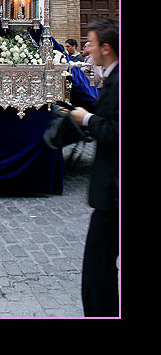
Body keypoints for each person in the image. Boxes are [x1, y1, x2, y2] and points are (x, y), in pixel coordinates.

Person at [70, 18, 119, 317]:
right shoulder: (110, 77)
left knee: (96, 269)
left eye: (91, 45)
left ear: (107, 48)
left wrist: (86, 119)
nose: (87, 52)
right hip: (110, 194)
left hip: (113, 193)